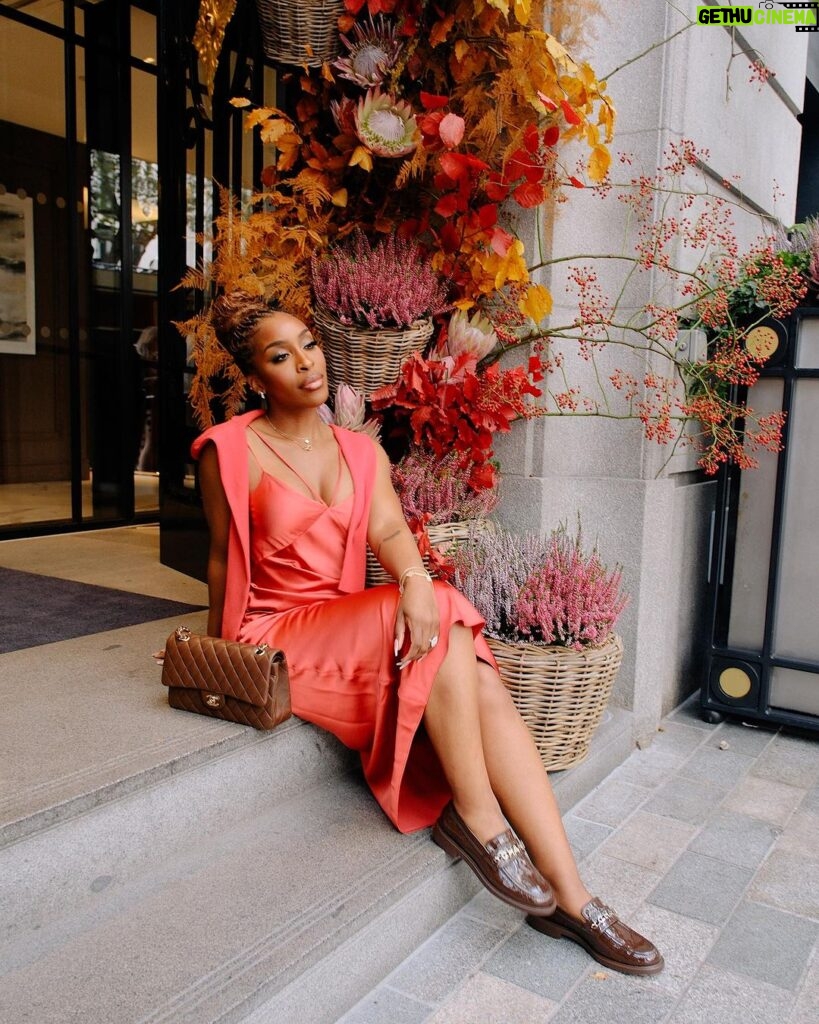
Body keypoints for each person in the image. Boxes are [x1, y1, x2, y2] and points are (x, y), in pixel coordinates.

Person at [193, 290, 664, 976]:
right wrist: (213, 655)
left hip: (345, 620)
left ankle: (573, 896)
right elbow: (218, 554)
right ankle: (477, 820)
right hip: (275, 628)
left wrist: (412, 582)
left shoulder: (359, 451)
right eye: (279, 356)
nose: (304, 364)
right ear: (255, 377)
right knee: (446, 615)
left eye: (308, 344)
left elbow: (388, 530)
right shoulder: (227, 449)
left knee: (472, 672)